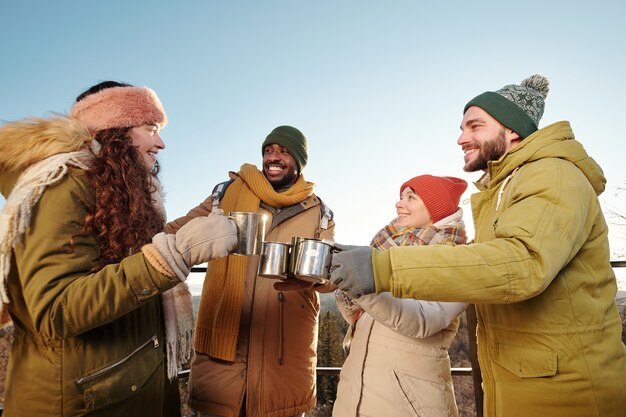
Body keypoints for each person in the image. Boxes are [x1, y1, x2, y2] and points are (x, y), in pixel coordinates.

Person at [329, 74, 626, 417]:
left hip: (566, 392)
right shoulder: (502, 190)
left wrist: (382, 268)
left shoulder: (554, 175)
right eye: (461, 128)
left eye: (474, 127)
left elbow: (522, 263)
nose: (461, 138)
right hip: (519, 381)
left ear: (512, 130)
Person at [0, 81, 237, 417]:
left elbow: (141, 246)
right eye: (151, 128)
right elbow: (54, 309)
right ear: (118, 130)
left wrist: (210, 206)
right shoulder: (63, 186)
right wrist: (176, 257)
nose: (161, 143)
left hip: (125, 390)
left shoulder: (113, 189)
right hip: (82, 401)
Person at [166, 125, 335, 417]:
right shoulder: (226, 193)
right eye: (269, 150)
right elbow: (178, 231)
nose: (273, 156)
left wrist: (315, 276)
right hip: (225, 338)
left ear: (298, 160)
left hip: (285, 351)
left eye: (283, 151)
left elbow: (330, 274)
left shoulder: (319, 211)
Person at [333, 174, 468, 417]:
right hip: (354, 395)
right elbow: (364, 319)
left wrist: (362, 284)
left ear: (435, 208)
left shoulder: (456, 258)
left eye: (411, 197)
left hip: (409, 404)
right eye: (400, 197)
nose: (399, 203)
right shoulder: (388, 246)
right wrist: (338, 277)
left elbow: (422, 322)